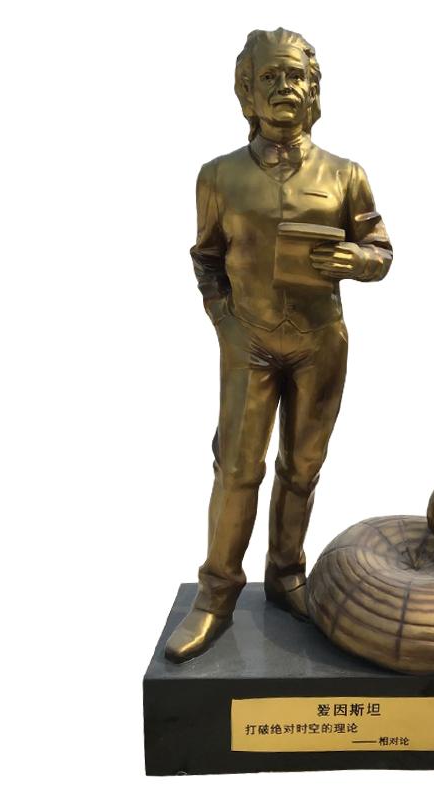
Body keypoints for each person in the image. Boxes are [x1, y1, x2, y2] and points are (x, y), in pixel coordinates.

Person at [165, 28, 393, 662]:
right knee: (238, 468)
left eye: (295, 76)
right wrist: (225, 323)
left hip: (321, 342)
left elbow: (380, 248)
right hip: (249, 344)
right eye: (269, 77)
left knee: (303, 466)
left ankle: (287, 574)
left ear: (313, 89)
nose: (284, 87)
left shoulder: (345, 175)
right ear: (246, 90)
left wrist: (357, 260)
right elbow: (206, 258)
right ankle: (216, 594)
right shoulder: (219, 176)